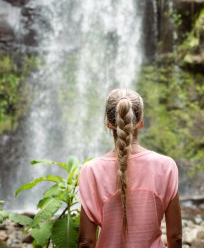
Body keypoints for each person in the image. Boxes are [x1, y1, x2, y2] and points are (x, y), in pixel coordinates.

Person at [78, 88, 182, 248]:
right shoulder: (166, 166)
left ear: (109, 124)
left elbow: (86, 241)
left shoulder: (91, 170)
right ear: (140, 122)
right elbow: (175, 237)